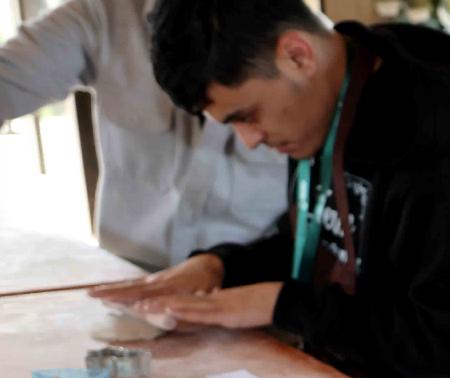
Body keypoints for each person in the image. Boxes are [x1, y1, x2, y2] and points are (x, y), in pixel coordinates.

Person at [91, 0, 450, 378]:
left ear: (297, 55)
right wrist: (219, 268)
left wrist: (280, 304)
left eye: (247, 115)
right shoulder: (327, 109)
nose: (250, 140)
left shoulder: (446, 169)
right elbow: (317, 240)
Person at [0, 0, 286, 267]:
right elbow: (8, 80)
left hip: (247, 283)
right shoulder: (104, 15)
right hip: (128, 275)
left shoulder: (288, 30)